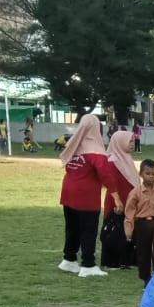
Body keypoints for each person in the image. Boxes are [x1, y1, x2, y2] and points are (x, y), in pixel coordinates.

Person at [57, 113, 125, 277]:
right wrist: (116, 196)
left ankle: (69, 259)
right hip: (86, 196)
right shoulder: (95, 150)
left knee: (72, 228)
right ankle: (88, 264)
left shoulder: (74, 146)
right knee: (89, 230)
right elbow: (105, 174)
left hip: (68, 193)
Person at [100, 129, 141, 270]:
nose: (132, 143)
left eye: (133, 140)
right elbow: (112, 184)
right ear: (120, 142)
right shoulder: (113, 161)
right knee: (116, 231)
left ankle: (128, 260)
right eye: (129, 141)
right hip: (118, 202)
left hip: (130, 202)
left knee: (129, 230)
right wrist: (117, 201)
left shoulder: (126, 159)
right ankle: (113, 261)